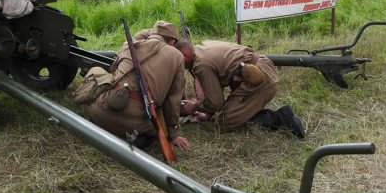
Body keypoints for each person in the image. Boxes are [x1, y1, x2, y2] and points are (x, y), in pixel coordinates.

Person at [88, 21, 192, 150]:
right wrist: (172, 133)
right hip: (136, 125)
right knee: (155, 126)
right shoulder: (176, 56)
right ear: (172, 43)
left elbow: (113, 76)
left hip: (99, 113)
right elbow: (173, 100)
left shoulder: (128, 45)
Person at [176, 40, 305, 138]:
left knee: (223, 123)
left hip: (259, 79)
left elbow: (216, 101)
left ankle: (281, 118)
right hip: (262, 66)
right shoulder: (204, 45)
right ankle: (247, 110)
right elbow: (215, 86)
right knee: (230, 111)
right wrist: (207, 113)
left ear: (183, 55)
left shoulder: (200, 64)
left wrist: (195, 107)